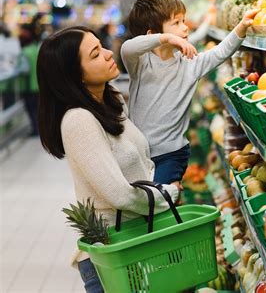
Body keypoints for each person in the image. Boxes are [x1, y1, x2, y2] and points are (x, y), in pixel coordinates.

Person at [37, 26, 181, 293]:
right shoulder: (79, 120)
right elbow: (120, 195)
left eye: (101, 45)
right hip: (112, 256)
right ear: (74, 76)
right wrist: (168, 193)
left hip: (138, 241)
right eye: (95, 54)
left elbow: (141, 163)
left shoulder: (111, 99)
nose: (106, 53)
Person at [121, 0, 258, 185]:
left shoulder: (189, 64)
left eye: (183, 21)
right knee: (147, 204)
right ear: (153, 34)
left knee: (161, 200)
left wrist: (241, 27)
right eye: (176, 23)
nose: (185, 27)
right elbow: (127, 48)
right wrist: (166, 38)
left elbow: (220, 53)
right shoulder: (141, 64)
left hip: (172, 154)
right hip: (139, 152)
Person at [19, 22, 41, 136]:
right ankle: (39, 130)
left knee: (31, 109)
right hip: (38, 85)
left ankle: (35, 131)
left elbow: (24, 70)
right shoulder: (37, 49)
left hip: (28, 86)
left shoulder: (25, 52)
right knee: (37, 110)